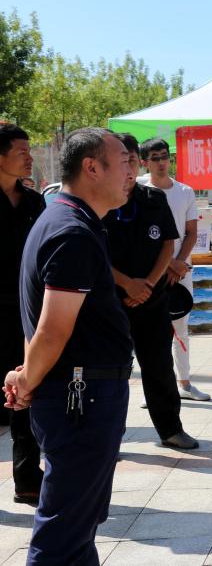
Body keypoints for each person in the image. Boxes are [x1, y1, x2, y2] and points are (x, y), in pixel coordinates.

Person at [5, 128, 134, 565]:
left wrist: (25, 374)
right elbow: (52, 330)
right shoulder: (71, 231)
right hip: (81, 398)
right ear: (91, 167)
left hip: (79, 394)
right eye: (124, 162)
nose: (132, 172)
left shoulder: (62, 219)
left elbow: (36, 321)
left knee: (78, 527)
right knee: (63, 533)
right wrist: (27, 379)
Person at [102, 134, 199, 450]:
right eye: (122, 161)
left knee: (159, 365)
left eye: (131, 160)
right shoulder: (99, 201)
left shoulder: (153, 198)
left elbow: (168, 243)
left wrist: (146, 284)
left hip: (151, 297)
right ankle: (108, 437)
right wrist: (126, 284)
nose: (128, 168)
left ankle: (170, 429)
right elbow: (94, 251)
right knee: (110, 369)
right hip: (111, 299)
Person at [138, 137, 209, 401]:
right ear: (144, 162)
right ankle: (153, 390)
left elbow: (191, 232)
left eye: (164, 157)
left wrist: (178, 264)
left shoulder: (185, 191)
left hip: (179, 273)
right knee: (150, 333)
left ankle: (185, 383)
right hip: (149, 274)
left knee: (181, 329)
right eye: (154, 158)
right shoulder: (138, 190)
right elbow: (140, 236)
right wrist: (169, 264)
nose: (161, 163)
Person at [0, 124, 45, 504]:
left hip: (25, 314)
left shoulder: (34, 203)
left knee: (25, 393)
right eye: (21, 152)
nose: (29, 158)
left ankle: (27, 479)